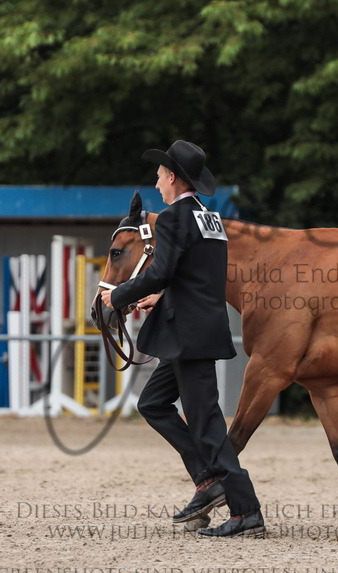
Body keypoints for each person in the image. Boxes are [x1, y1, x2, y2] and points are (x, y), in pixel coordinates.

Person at [100, 140, 265, 538]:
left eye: (160, 175)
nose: (156, 183)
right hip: (190, 327)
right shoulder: (210, 219)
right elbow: (196, 277)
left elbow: (161, 271)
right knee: (153, 403)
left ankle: (246, 511)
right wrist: (163, 297)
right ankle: (208, 480)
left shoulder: (174, 218)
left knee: (206, 422)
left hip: (188, 334)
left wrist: (119, 295)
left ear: (172, 177)